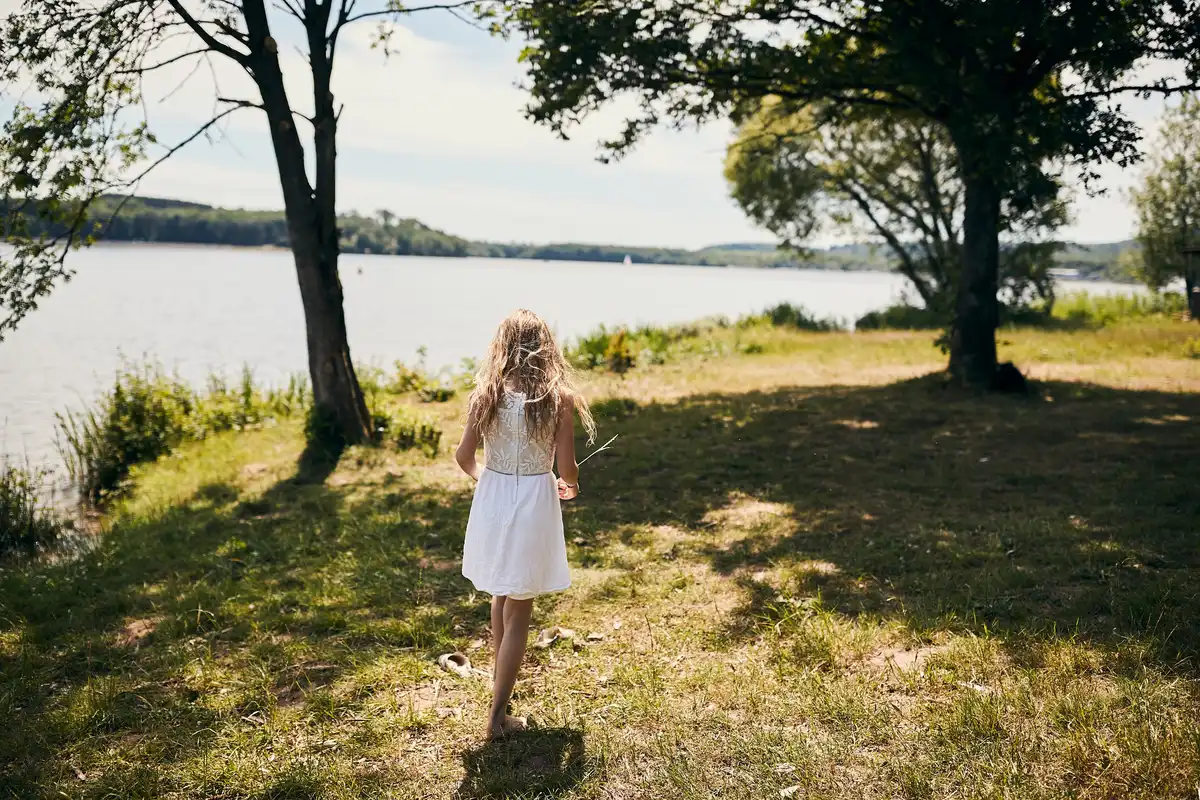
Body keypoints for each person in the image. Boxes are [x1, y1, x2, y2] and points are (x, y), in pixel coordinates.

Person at [454, 309, 596, 740]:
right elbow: (566, 468)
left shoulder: (486, 394)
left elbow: (464, 457)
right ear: (545, 347)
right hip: (534, 498)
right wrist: (570, 485)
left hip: (494, 497)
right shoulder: (558, 398)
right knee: (519, 607)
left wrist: (489, 481)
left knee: (502, 594)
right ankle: (497, 718)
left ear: (503, 347)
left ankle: (501, 695)